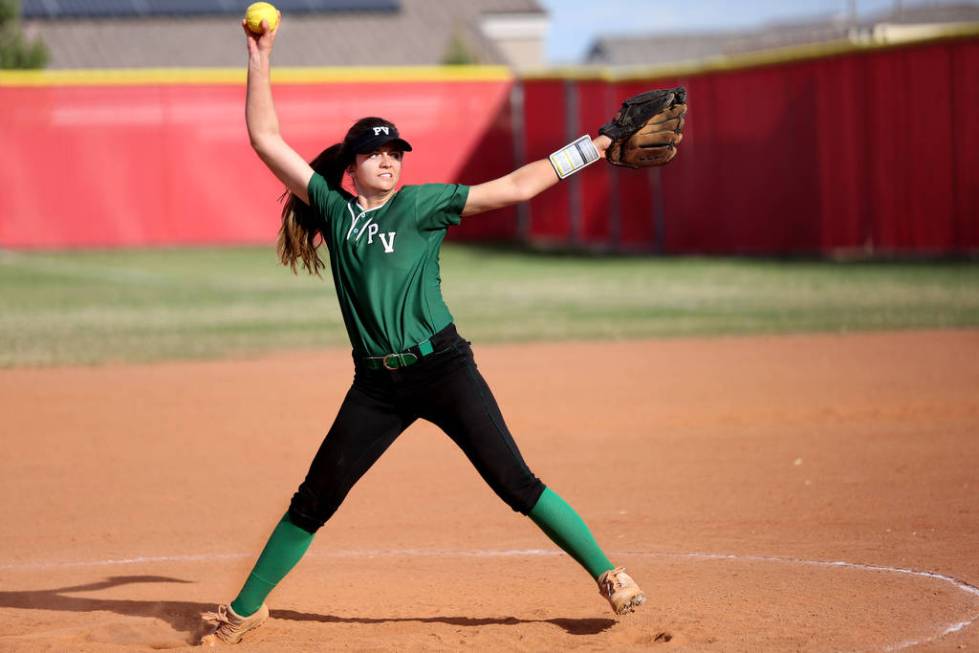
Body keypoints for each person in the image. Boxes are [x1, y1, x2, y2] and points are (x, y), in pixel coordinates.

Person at [200, 13, 646, 646]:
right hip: (376, 388)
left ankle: (608, 574)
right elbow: (265, 138)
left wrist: (595, 146)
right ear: (350, 168)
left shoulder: (424, 204)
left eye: (394, 152)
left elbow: (517, 186)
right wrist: (260, 56)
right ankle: (242, 612)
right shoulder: (333, 208)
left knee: (515, 483)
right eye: (374, 152)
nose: (387, 159)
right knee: (315, 498)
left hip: (443, 369)